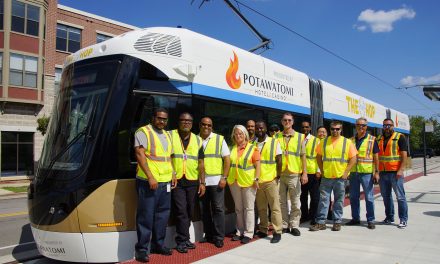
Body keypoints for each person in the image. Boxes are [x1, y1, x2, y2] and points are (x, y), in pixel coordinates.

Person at [134, 108, 177, 262]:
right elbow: (139, 154)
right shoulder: (143, 132)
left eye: (165, 119)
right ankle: (141, 250)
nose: (162, 121)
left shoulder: (167, 134)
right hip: (148, 182)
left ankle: (158, 245)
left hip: (165, 182)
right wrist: (150, 177)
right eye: (159, 118)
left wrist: (173, 174)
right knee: (146, 216)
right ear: (153, 118)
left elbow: (168, 157)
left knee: (162, 215)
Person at [310, 120, 357, 232]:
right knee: (323, 200)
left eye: (337, 129)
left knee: (338, 200)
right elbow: (318, 157)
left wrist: (346, 172)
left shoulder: (347, 142)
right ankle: (321, 222)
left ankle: (337, 222)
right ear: (330, 129)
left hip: (340, 177)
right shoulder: (324, 142)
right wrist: (322, 170)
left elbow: (354, 159)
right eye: (332, 129)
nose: (335, 131)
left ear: (341, 130)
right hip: (326, 177)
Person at [171, 113, 205, 253]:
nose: (186, 123)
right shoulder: (170, 135)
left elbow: (201, 162)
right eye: (183, 120)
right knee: (180, 210)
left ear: (192, 123)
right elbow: (167, 156)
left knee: (189, 210)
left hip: (192, 180)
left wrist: (202, 182)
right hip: (176, 180)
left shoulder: (197, 139)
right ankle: (181, 241)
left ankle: (186, 239)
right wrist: (172, 172)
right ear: (178, 122)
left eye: (189, 121)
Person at [199, 117, 231, 248]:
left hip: (217, 181)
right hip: (201, 182)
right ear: (199, 125)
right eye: (204, 124)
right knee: (204, 210)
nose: (206, 127)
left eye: (209, 125)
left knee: (218, 209)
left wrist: (224, 177)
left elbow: (227, 160)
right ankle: (209, 235)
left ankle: (218, 237)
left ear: (212, 127)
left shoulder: (219, 139)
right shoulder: (194, 139)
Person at [275, 113, 308, 236]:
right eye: (285, 120)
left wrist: (304, 173)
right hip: (280, 174)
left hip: (294, 174)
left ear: (293, 122)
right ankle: (284, 225)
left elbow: (303, 156)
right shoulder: (276, 136)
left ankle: (294, 225)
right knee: (281, 202)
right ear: (282, 122)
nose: (287, 122)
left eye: (289, 120)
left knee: (295, 201)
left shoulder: (300, 137)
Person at [228, 125, 261, 244]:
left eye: (240, 134)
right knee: (238, 208)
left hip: (249, 182)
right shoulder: (232, 148)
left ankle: (248, 232)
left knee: (249, 208)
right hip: (234, 181)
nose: (238, 136)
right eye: (236, 134)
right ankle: (239, 231)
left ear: (245, 135)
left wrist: (256, 179)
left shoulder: (253, 148)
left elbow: (258, 165)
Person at [346, 117, 380, 229]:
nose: (361, 127)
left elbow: (376, 157)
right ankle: (355, 218)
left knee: (369, 197)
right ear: (355, 126)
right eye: (359, 125)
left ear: (366, 127)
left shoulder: (372, 139)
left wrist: (376, 172)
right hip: (354, 173)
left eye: (363, 125)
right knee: (353, 197)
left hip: (366, 173)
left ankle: (370, 220)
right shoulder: (350, 140)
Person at [253, 121, 283, 243]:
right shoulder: (253, 143)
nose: (260, 130)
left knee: (275, 207)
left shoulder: (274, 142)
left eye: (262, 127)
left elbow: (279, 160)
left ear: (266, 128)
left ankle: (277, 231)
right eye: (257, 128)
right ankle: (263, 229)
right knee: (261, 208)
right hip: (258, 181)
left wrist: (277, 176)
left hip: (271, 180)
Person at [377, 118, 408, 228]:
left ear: (393, 126)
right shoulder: (379, 138)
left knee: (400, 197)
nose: (387, 127)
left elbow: (404, 155)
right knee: (386, 197)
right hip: (383, 173)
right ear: (383, 126)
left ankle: (403, 219)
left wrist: (401, 170)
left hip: (395, 173)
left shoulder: (399, 137)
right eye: (385, 125)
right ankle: (389, 217)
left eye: (389, 125)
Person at [300, 121, 320, 225]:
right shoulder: (299, 139)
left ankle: (313, 216)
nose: (305, 129)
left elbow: (319, 156)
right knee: (302, 196)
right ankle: (304, 215)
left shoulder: (316, 140)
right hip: (301, 171)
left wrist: (318, 170)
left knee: (314, 197)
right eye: (303, 127)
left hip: (312, 172)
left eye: (307, 127)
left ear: (310, 128)